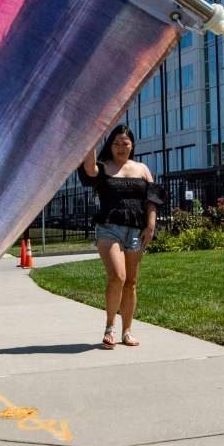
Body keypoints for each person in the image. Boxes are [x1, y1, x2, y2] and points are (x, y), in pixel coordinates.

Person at [77, 124, 160, 349]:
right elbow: (89, 169)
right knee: (118, 277)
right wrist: (92, 138)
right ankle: (110, 327)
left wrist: (150, 225)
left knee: (131, 283)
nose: (121, 147)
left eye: (125, 143)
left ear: (132, 145)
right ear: (110, 145)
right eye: (116, 143)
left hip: (136, 230)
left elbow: (151, 199)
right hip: (109, 229)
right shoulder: (103, 168)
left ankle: (127, 331)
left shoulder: (142, 169)